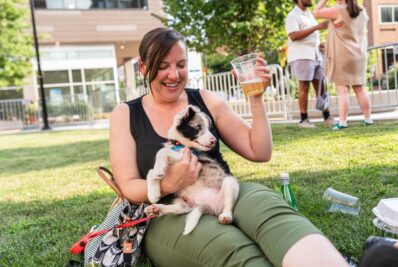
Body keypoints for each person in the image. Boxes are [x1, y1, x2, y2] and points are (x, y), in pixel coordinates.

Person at [109, 27, 348, 267]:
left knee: (275, 216)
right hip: (168, 211)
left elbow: (260, 151)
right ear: (142, 67)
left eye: (181, 64)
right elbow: (128, 185)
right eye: (162, 66)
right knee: (230, 247)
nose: (174, 75)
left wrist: (256, 98)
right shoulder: (127, 114)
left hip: (224, 190)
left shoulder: (205, 99)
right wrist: (168, 183)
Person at [313, 0, 373, 130]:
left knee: (342, 89)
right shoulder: (362, 11)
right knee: (359, 88)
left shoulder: (338, 10)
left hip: (343, 55)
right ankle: (368, 119)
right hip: (359, 55)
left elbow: (315, 13)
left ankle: (342, 122)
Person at [285, 0, 334, 128]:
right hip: (302, 55)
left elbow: (312, 36)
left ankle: (327, 116)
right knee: (304, 86)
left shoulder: (309, 15)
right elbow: (293, 35)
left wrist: (320, 44)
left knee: (320, 86)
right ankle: (304, 120)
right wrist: (316, 27)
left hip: (316, 54)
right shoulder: (292, 16)